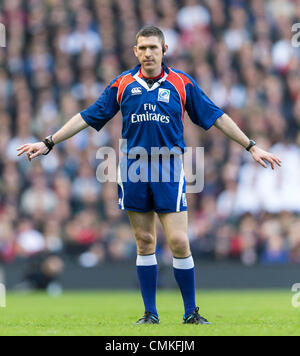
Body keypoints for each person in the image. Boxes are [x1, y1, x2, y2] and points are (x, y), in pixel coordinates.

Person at [17, 26, 282, 325]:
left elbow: (216, 115)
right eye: (142, 48)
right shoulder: (122, 84)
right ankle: (150, 314)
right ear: (135, 51)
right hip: (133, 167)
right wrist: (49, 141)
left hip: (169, 167)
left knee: (180, 241)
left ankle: (191, 312)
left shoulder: (182, 83)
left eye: (153, 48)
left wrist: (251, 146)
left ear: (164, 50)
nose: (147, 53)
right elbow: (88, 115)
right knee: (144, 241)